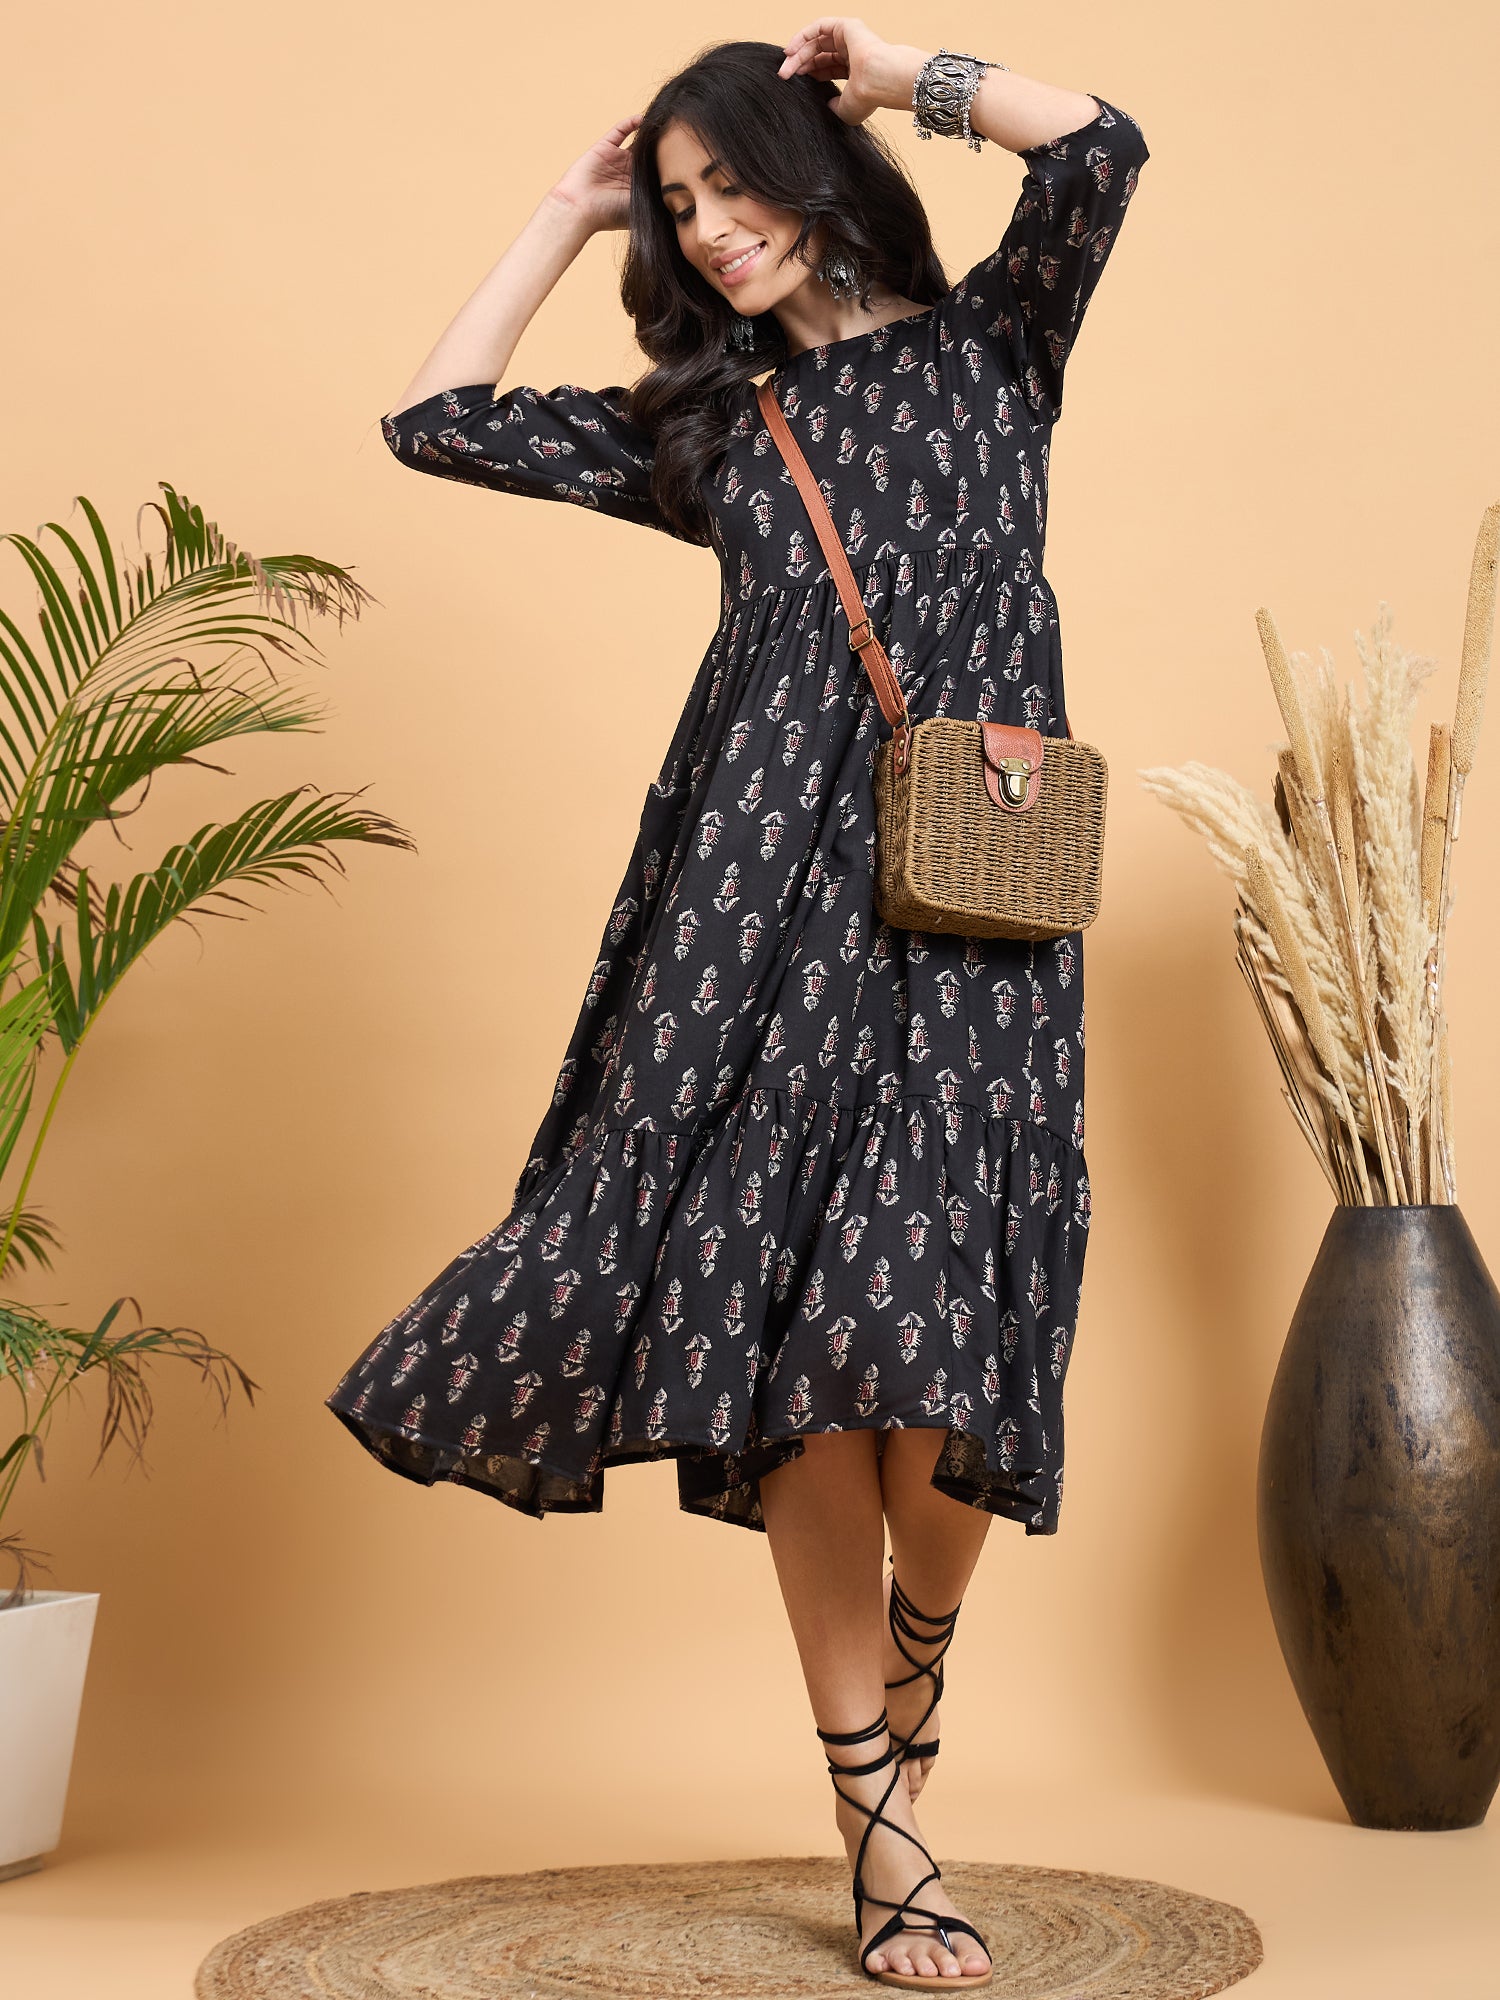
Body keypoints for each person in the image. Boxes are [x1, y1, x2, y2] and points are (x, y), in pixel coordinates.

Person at [327, 19, 1148, 1989]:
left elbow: (1102, 147)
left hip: (969, 910)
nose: (704, 230)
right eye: (677, 205)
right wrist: (566, 209)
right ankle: (879, 1816)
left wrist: (895, 72)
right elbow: (435, 417)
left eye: (728, 186)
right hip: (754, 919)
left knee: (941, 1356)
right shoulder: (717, 429)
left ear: (813, 166)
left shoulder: (993, 351)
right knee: (797, 1350)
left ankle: (917, 1663)